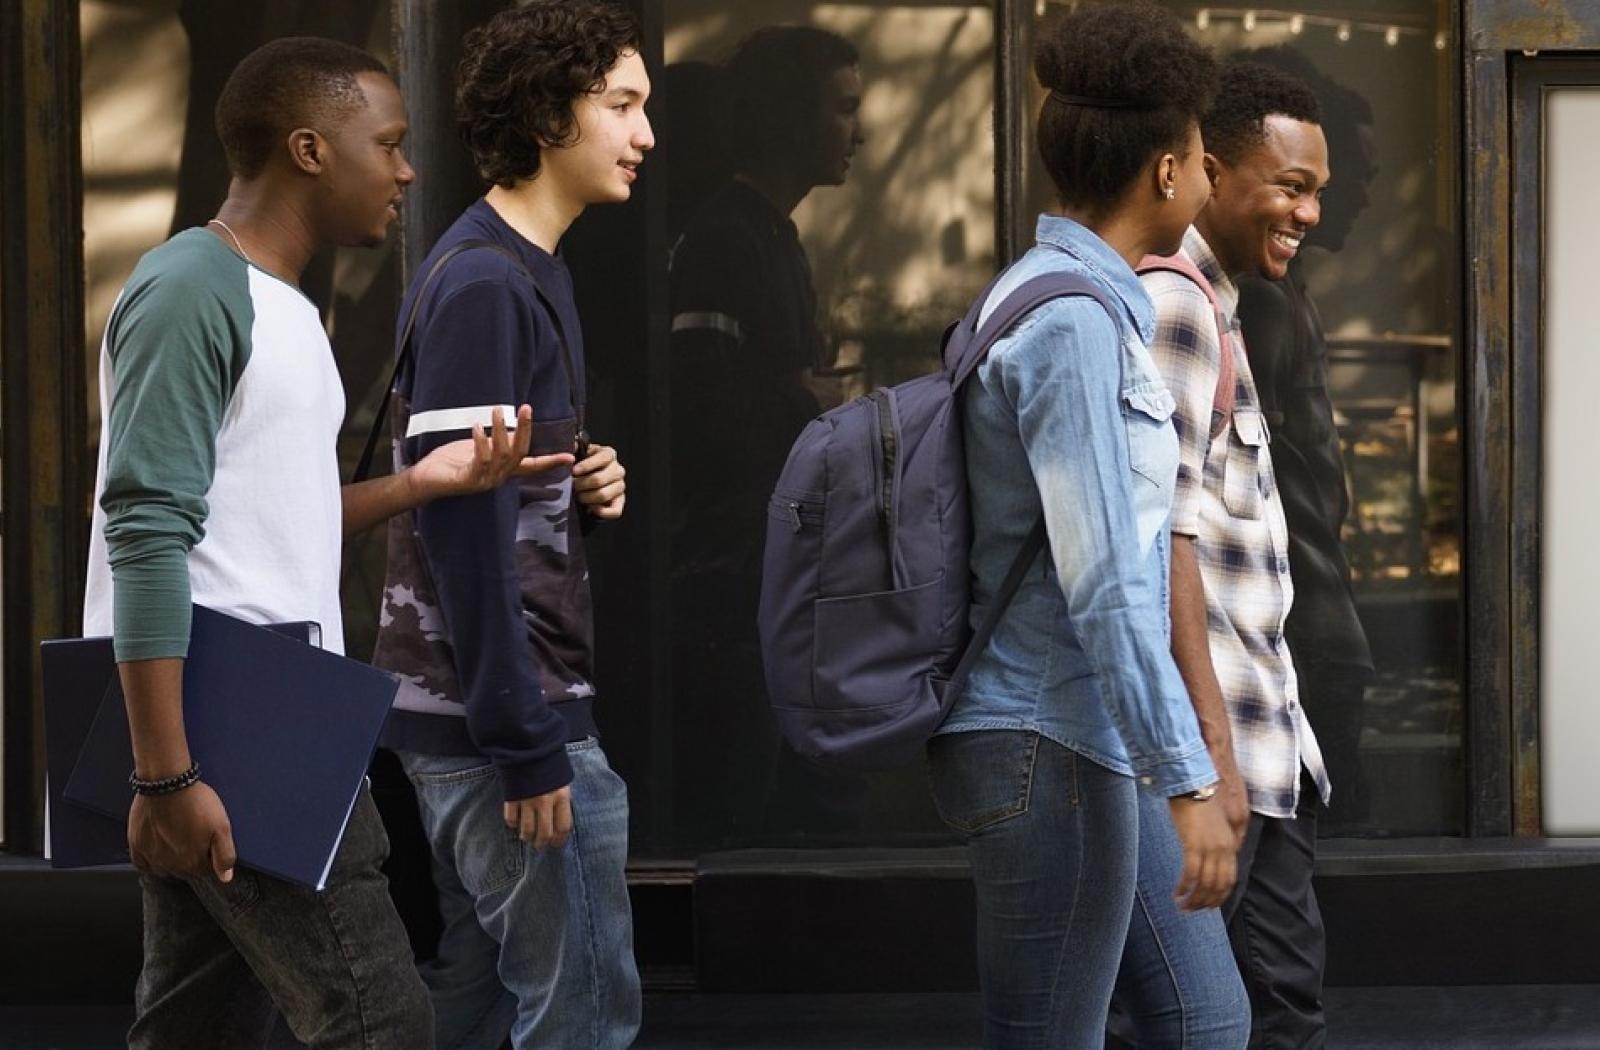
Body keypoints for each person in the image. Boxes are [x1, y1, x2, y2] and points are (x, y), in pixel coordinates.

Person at [82, 37, 568, 1049]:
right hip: (231, 711)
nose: (407, 170)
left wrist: (418, 484)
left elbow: (259, 518)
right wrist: (165, 777)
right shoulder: (192, 288)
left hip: (254, 701)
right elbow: (147, 533)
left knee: (200, 1026)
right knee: (379, 1018)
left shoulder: (284, 306)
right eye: (386, 144)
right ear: (308, 150)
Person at [926, 4, 1246, 1045]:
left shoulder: (1077, 305)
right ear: (1165, 170)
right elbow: (1105, 579)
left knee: (1207, 1020)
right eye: (1201, 161)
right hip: (1044, 740)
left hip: (1091, 736)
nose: (1208, 185)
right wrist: (1189, 776)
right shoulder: (1068, 324)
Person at [370, 4, 646, 1047]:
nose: (644, 134)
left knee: (478, 1005)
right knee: (583, 1016)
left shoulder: (521, 270)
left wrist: (579, 486)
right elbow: (458, 534)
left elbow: (495, 502)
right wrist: (525, 745)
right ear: (545, 116)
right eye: (620, 105)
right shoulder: (487, 281)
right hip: (505, 728)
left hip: (484, 720)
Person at [1140, 57, 1334, 1047]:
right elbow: (1159, 545)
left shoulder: (1225, 310)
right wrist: (1207, 764)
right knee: (1201, 1023)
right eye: (1290, 185)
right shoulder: (1175, 307)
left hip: (1266, 755)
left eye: (1316, 191)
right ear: (1211, 173)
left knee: (1277, 1012)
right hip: (1223, 771)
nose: (1308, 213)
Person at [667, 25, 867, 842]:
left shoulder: (770, 235)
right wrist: (799, 398)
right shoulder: (727, 239)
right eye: (842, 109)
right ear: (788, 116)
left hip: (772, 569)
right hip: (732, 576)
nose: (859, 133)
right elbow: (693, 404)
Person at [1234, 47, 1379, 833]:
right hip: (1299, 616)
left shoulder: (1283, 288)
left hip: (1311, 604)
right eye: (1305, 185)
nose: (1356, 197)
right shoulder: (1261, 297)